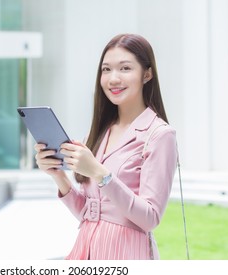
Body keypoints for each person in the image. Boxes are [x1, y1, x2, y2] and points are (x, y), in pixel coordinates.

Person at [34, 33, 178, 260]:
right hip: (88, 251)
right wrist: (58, 176)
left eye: (125, 68)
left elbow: (150, 218)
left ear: (147, 74)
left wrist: (100, 173)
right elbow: (88, 212)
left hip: (127, 254)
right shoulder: (100, 132)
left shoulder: (160, 135)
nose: (113, 79)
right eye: (106, 69)